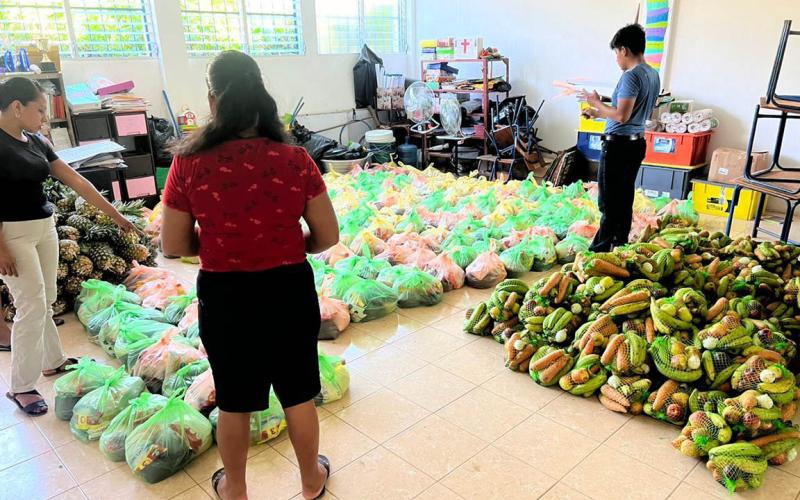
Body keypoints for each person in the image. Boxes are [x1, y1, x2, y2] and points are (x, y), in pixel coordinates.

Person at [160, 50, 339, 500]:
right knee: (298, 392)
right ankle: (310, 481)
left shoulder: (189, 163)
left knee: (234, 398)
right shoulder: (295, 159)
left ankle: (235, 489)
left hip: (225, 294)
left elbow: (174, 245)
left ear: (212, 100)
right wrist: (289, 245)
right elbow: (328, 234)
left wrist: (223, 247)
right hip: (287, 288)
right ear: (262, 97)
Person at [0, 77, 138, 416]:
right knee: (30, 305)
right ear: (17, 107)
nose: (44, 118)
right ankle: (21, 386)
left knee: (44, 300)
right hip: (11, 234)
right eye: (39, 110)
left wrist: (115, 215)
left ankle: (53, 361)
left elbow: (75, 179)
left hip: (43, 227)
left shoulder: (36, 141)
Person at [581, 23, 660, 251]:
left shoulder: (631, 76)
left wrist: (596, 102)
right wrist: (597, 112)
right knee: (624, 197)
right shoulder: (652, 74)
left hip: (618, 146)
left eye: (616, 52)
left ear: (624, 50)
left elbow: (622, 115)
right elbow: (629, 113)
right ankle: (620, 244)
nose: (617, 58)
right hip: (636, 143)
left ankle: (600, 250)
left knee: (608, 201)